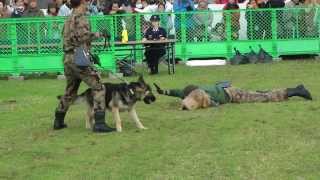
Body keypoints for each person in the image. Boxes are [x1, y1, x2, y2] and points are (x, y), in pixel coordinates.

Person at [53, 0, 114, 133]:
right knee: (99, 86)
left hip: (68, 58)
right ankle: (99, 123)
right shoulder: (80, 19)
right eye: (86, 2)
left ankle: (58, 121)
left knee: (70, 91)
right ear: (81, 3)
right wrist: (100, 34)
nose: (87, 4)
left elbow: (71, 38)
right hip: (78, 57)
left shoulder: (69, 18)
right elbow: (82, 37)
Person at [154, 82, 312, 110]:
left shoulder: (201, 94)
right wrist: (163, 92)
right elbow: (176, 92)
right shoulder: (191, 91)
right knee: (262, 94)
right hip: (231, 91)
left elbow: (213, 103)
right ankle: (296, 89)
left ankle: (296, 91)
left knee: (264, 97)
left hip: (233, 94)